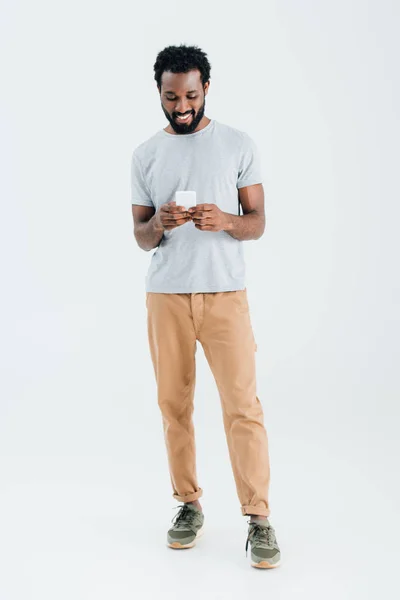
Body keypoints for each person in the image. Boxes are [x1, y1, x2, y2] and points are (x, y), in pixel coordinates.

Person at [130, 44, 281, 569]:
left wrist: (227, 222)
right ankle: (188, 504)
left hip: (225, 295)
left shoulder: (237, 144)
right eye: (172, 97)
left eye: (191, 95)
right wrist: (160, 226)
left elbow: (257, 221)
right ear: (160, 94)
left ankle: (258, 517)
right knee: (174, 405)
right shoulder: (146, 154)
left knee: (243, 406)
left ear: (206, 89)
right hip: (166, 297)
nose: (182, 105)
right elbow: (140, 235)